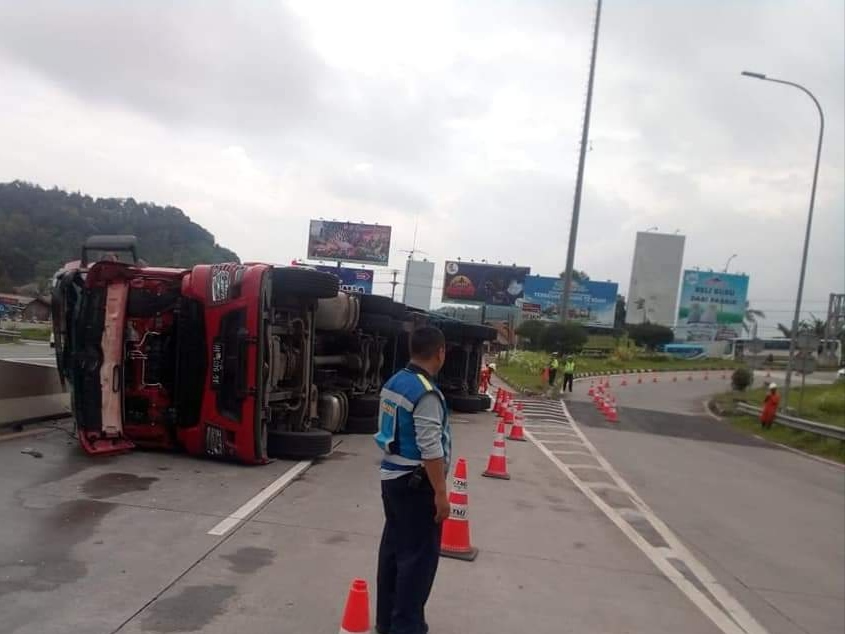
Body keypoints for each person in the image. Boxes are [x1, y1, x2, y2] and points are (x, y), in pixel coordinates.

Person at [374, 326, 451, 634]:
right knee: (417, 560)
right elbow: (431, 447)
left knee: (393, 552)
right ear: (440, 352)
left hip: (392, 478)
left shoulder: (396, 381)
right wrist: (441, 493)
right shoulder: (425, 392)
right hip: (415, 483)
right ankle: (406, 626)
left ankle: (387, 620)